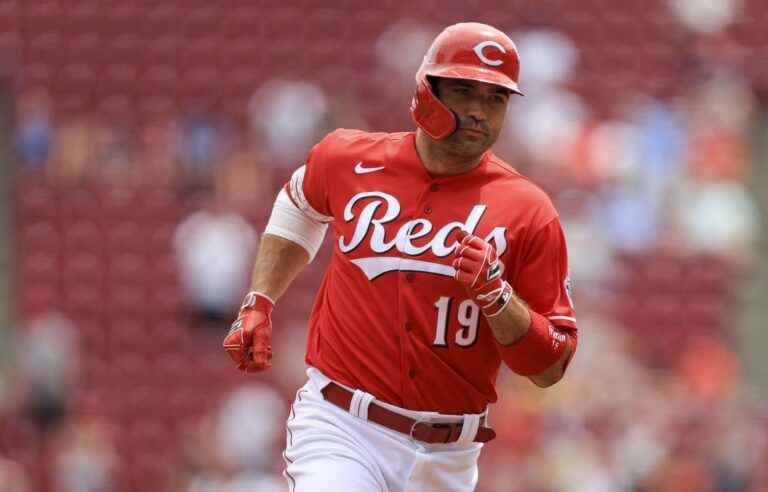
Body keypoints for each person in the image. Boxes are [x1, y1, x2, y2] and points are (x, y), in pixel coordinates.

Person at [222, 22, 578, 491]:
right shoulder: (348, 159)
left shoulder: (528, 210)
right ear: (426, 90)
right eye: (464, 90)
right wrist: (260, 300)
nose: (479, 111)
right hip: (343, 426)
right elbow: (298, 204)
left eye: (495, 98)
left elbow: (550, 365)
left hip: (450, 457)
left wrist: (498, 297)